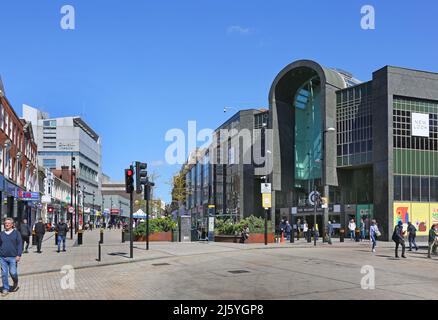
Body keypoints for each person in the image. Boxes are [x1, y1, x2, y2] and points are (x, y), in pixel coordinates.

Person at [0, 218, 22, 296]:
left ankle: (15, 282)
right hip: (2, 257)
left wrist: (19, 255)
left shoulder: (16, 233)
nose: (7, 224)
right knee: (4, 274)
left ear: (12, 224)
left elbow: (20, 244)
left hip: (13, 257)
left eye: (9, 223)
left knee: (13, 273)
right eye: (6, 223)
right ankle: (5, 289)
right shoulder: (1, 234)